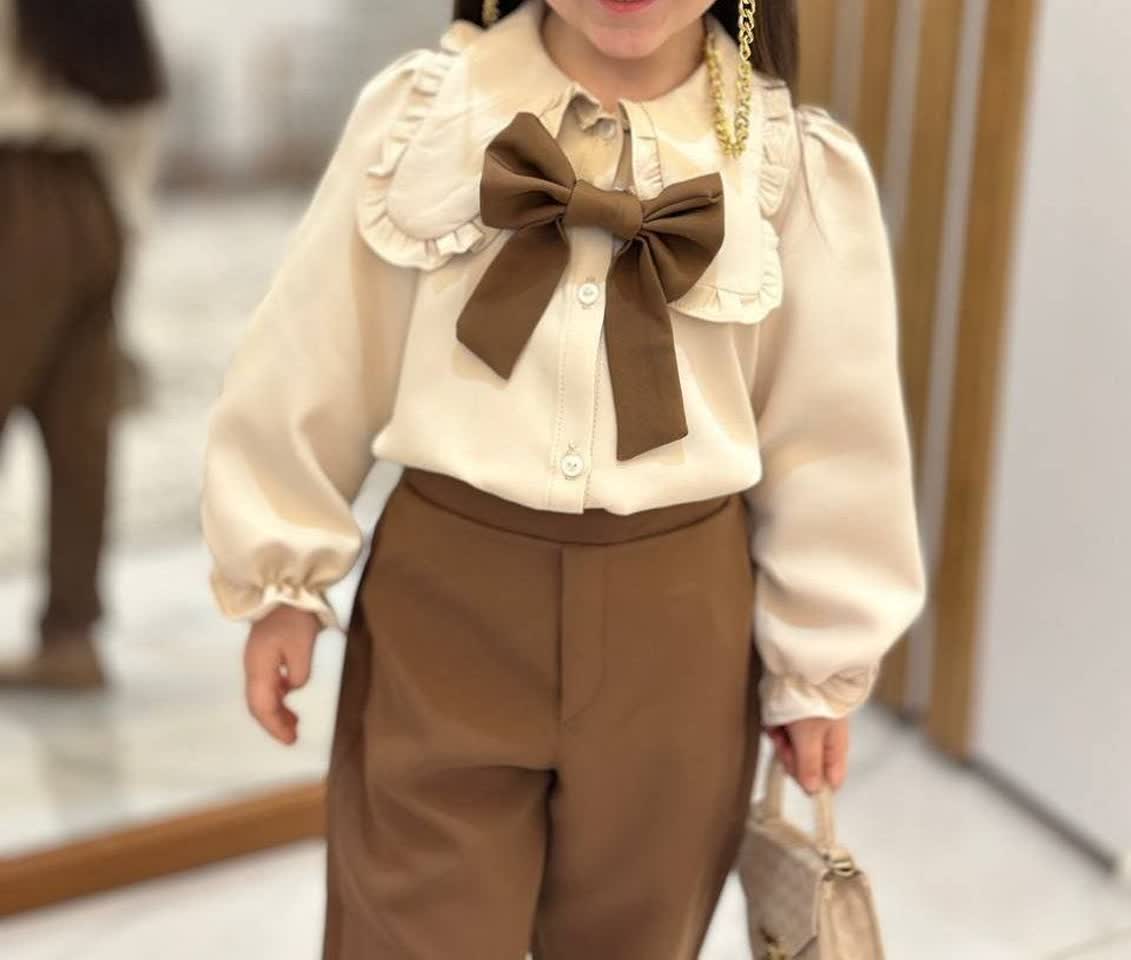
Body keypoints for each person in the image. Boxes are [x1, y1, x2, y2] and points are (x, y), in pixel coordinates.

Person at [202, 1, 925, 956]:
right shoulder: (424, 114)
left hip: (679, 635)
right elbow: (313, 352)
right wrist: (281, 576)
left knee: (636, 934)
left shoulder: (792, 163)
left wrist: (817, 668)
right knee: (405, 925)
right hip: (443, 610)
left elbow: (831, 431)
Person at [0, 0, 165, 688]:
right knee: (79, 433)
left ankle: (70, 637)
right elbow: (144, 110)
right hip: (95, 198)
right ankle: (72, 637)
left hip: (12, 189)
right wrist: (118, 227)